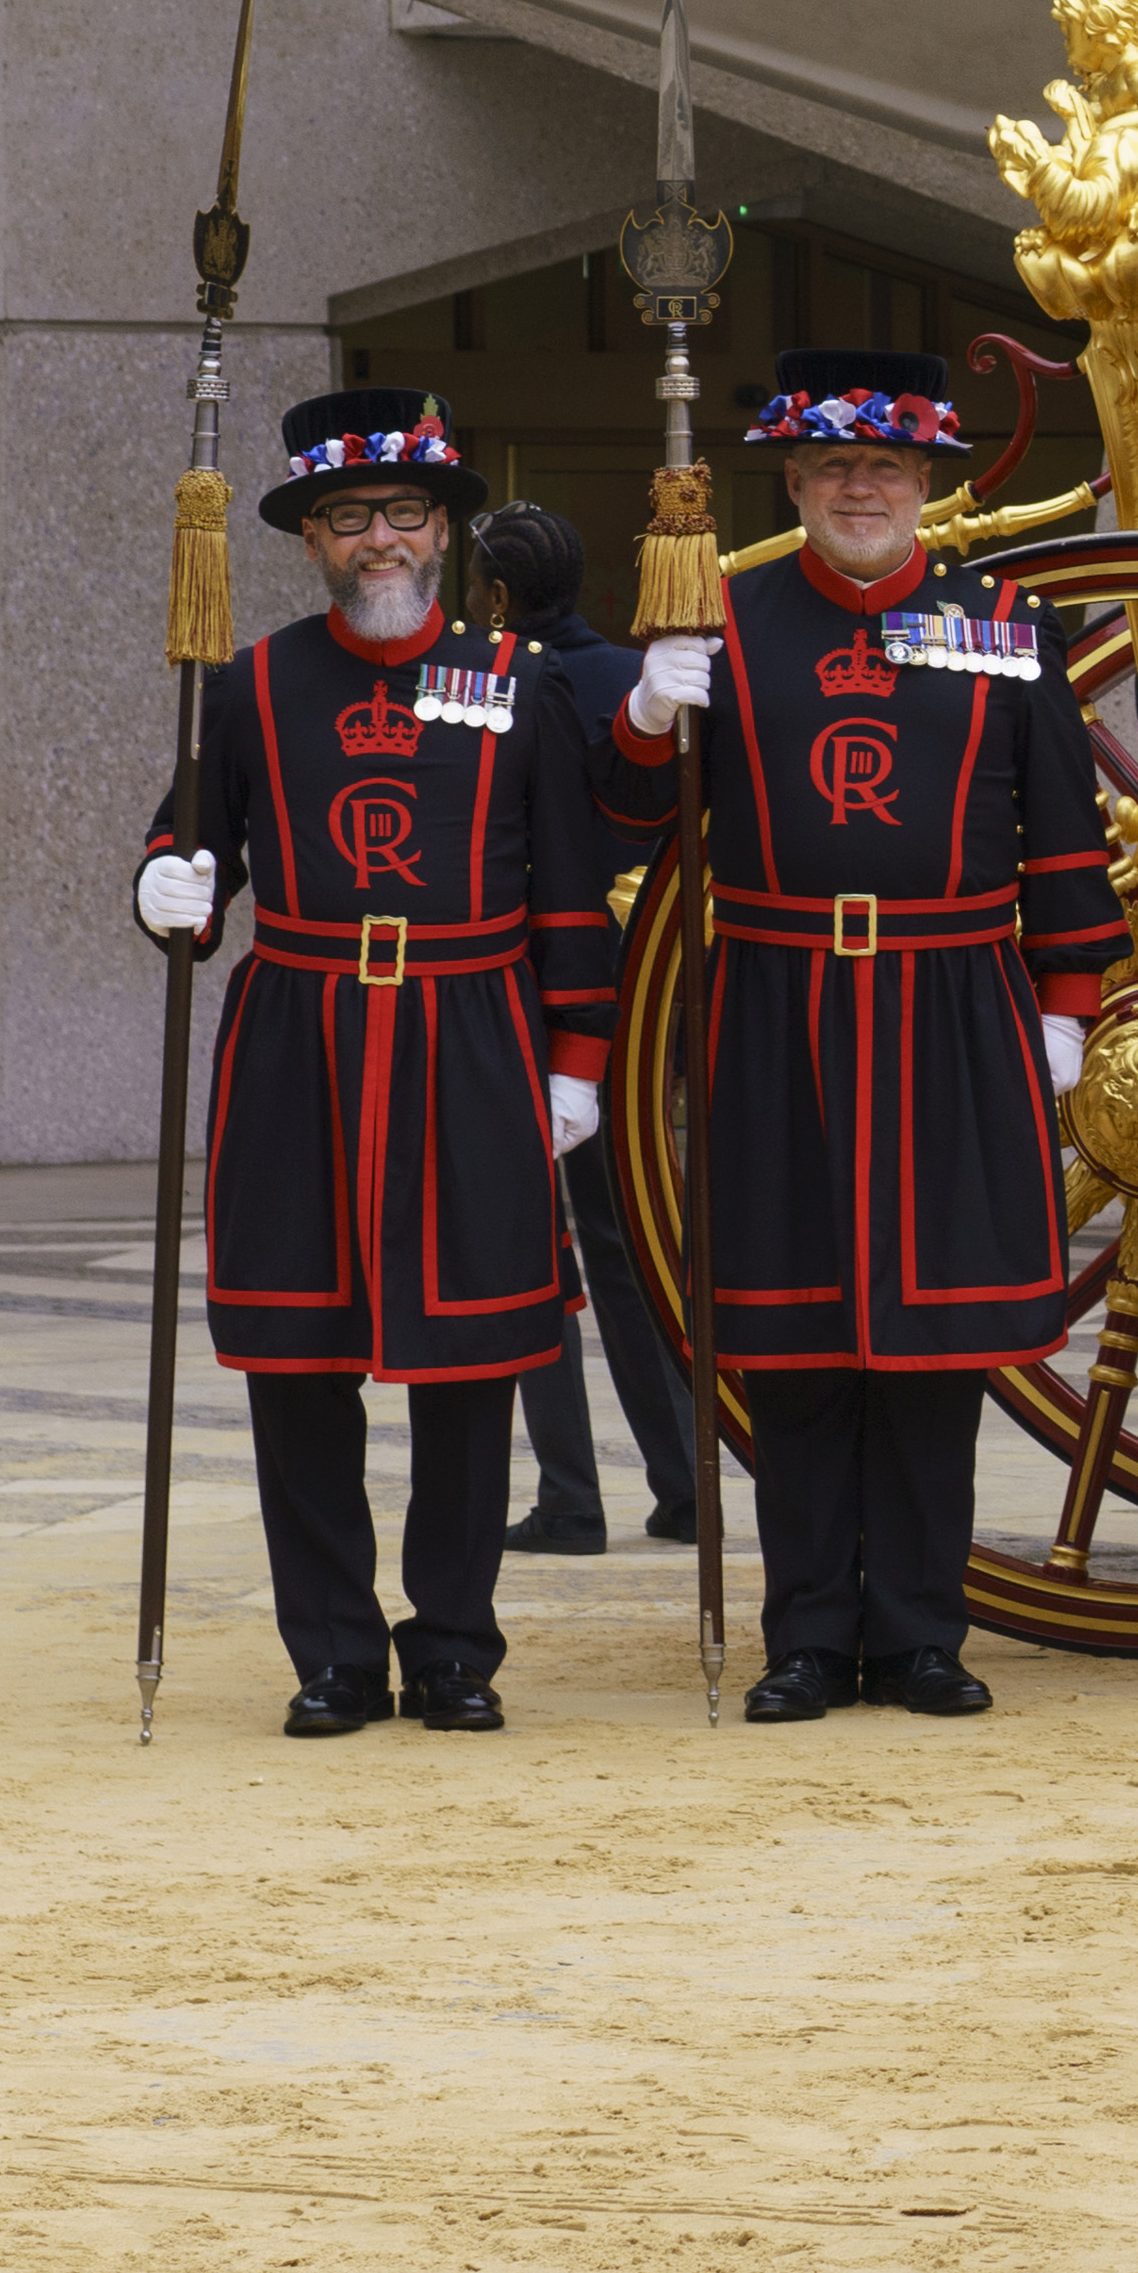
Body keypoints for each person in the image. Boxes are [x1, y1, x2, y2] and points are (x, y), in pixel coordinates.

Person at [601, 348, 1128, 1723]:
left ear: (924, 484)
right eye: (833, 468)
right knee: (794, 1347)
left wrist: (1069, 1009)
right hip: (775, 1006)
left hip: (952, 1006)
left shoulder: (1004, 623)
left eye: (885, 469)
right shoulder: (719, 617)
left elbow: (1067, 841)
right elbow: (619, 818)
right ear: (792, 480)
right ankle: (804, 1636)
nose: (859, 489)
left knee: (931, 1350)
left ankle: (919, 1634)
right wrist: (648, 714)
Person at [134, 391, 615, 1731]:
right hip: (299, 1044)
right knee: (299, 1367)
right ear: (311, 542)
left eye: (404, 514)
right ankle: (335, 1654)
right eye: (350, 519)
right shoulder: (257, 681)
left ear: (447, 530)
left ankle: (453, 1646)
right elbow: (188, 842)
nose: (379, 541)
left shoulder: (515, 681)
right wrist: (164, 892)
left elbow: (571, 894)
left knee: (466, 1368)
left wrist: (576, 1057)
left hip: (471, 1039)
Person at [460, 499, 697, 1553]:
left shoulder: (497, 683)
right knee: (632, 1239)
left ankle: (569, 1491)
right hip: (649, 996)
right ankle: (685, 1473)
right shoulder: (623, 678)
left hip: (531, 982)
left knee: (534, 1245)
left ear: (499, 596)